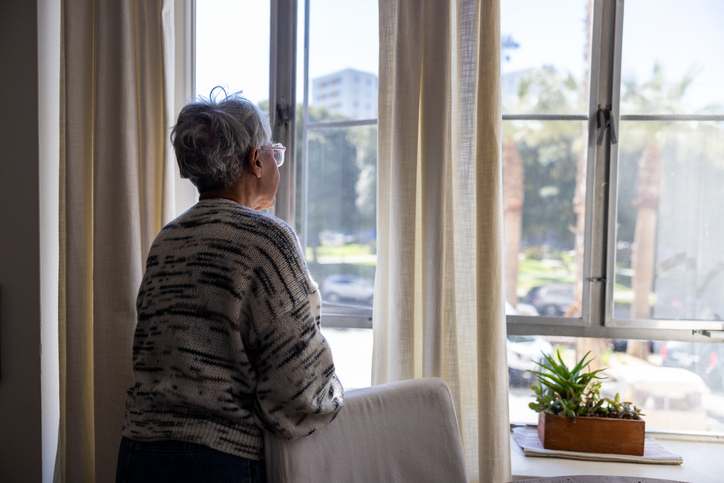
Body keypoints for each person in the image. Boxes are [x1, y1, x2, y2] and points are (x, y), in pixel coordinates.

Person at [116, 91, 344, 483]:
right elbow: (300, 392)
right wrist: (335, 395)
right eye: (275, 152)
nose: (277, 164)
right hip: (215, 462)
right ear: (256, 160)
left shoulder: (167, 239)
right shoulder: (268, 240)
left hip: (137, 454)